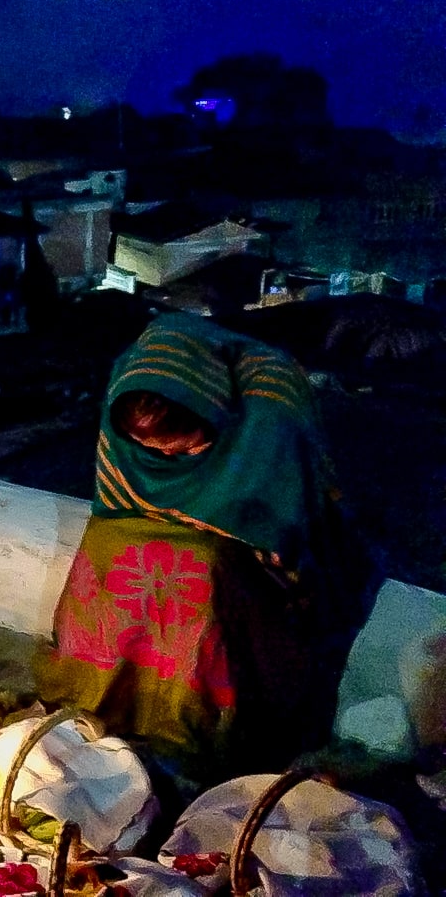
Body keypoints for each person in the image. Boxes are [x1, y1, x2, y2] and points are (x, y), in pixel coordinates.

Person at [35, 312, 379, 779]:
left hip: (249, 546)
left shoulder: (270, 413)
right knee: (107, 544)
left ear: (213, 410)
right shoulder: (133, 387)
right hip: (162, 524)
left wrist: (218, 541)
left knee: (201, 572)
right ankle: (114, 691)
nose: (167, 461)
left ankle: (194, 718)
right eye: (155, 452)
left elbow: (283, 532)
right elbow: (119, 504)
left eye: (185, 449)